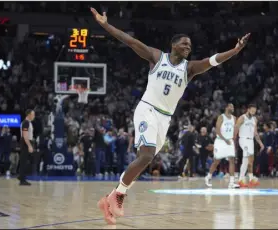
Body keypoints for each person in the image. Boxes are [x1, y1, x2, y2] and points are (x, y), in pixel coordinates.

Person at [91, 7, 250, 225]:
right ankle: (118, 196)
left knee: (144, 160)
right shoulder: (157, 57)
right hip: (147, 108)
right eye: (184, 43)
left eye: (190, 46)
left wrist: (234, 51)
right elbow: (129, 41)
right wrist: (105, 25)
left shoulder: (190, 68)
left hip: (165, 118)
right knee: (146, 156)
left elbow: (213, 61)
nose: (188, 47)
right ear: (174, 44)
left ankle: (110, 199)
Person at [205, 103, 239, 188]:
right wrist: (225, 139)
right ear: (227, 107)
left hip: (229, 141)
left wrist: (233, 140)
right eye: (231, 106)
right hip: (220, 141)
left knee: (232, 160)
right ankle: (208, 176)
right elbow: (217, 131)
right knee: (217, 161)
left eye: (233, 107)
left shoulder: (234, 118)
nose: (233, 108)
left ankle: (231, 182)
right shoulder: (221, 117)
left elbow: (235, 131)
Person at [234, 104, 264, 188]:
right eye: (252, 110)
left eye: (255, 111)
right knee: (246, 158)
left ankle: (249, 180)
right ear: (248, 109)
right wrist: (233, 140)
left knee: (249, 161)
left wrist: (260, 143)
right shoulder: (242, 118)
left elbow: (255, 133)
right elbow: (236, 129)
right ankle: (241, 179)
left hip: (251, 141)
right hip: (243, 139)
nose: (253, 112)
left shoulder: (254, 119)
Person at [19, 109, 35, 186]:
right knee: (24, 162)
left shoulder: (28, 123)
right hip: (25, 143)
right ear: (28, 115)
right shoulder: (26, 123)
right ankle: (22, 180)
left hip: (27, 142)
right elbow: (25, 136)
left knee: (24, 161)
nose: (34, 116)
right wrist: (29, 146)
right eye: (33, 114)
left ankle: (21, 176)